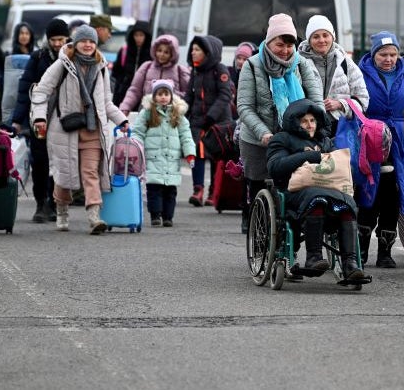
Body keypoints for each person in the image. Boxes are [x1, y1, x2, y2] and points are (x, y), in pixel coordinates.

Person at [30, 25, 129, 235]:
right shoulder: (62, 64)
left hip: (93, 129)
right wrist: (39, 118)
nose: (88, 45)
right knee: (64, 176)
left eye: (92, 41)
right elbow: (41, 92)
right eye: (84, 41)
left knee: (90, 173)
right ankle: (62, 209)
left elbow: (106, 102)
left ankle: (94, 217)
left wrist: (122, 120)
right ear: (76, 43)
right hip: (65, 129)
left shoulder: (101, 67)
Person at [236, 13, 322, 235]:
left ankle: (288, 237)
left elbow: (316, 103)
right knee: (259, 189)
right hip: (258, 140)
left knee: (291, 192)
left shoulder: (303, 65)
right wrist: (263, 133)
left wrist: (314, 130)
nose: (285, 50)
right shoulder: (253, 66)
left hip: (293, 140)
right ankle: (258, 229)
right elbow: (245, 107)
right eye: (279, 44)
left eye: (289, 45)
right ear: (269, 41)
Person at [266, 98, 364, 280]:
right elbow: (275, 167)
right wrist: (309, 155)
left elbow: (341, 167)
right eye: (304, 121)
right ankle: (314, 257)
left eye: (312, 120)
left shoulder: (325, 141)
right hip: (294, 193)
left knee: (346, 204)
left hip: (329, 192)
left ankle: (350, 263)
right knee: (318, 199)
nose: (309, 125)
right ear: (295, 122)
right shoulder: (282, 139)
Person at [356, 31, 404, 267]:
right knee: (369, 193)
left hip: (401, 143)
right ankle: (360, 249)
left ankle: (385, 251)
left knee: (394, 194)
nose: (389, 59)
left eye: (393, 54)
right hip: (370, 139)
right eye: (383, 54)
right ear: (373, 55)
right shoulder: (360, 75)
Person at [12, 18, 71, 223]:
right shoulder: (38, 57)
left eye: (60, 39)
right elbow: (24, 89)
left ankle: (56, 203)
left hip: (64, 120)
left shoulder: (73, 57)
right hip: (39, 119)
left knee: (61, 162)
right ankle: (41, 203)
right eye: (53, 39)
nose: (57, 43)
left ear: (67, 38)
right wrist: (17, 120)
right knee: (40, 162)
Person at [132, 79, 196, 227]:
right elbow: (138, 132)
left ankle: (168, 217)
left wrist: (190, 153)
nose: (163, 97)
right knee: (153, 189)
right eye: (159, 94)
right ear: (154, 96)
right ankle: (155, 215)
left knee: (170, 191)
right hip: (152, 158)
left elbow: (185, 135)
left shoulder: (177, 114)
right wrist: (136, 148)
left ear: (171, 96)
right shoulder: (147, 113)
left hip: (171, 160)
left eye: (166, 94)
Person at [298, 14, 369, 137]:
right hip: (307, 131)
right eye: (316, 36)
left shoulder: (346, 63)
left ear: (333, 37)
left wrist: (340, 104)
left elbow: (363, 100)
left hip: (341, 131)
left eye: (325, 35)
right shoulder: (299, 63)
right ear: (309, 40)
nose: (321, 40)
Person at [183, 34, 234, 207]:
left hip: (218, 122)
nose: (193, 53)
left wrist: (212, 116)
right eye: (192, 49)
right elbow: (190, 95)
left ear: (208, 52)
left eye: (197, 50)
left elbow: (225, 95)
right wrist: (181, 112)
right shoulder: (195, 70)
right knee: (195, 154)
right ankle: (198, 190)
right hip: (198, 121)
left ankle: (213, 191)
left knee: (215, 157)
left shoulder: (220, 70)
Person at [119, 34, 190, 114]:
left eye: (166, 52)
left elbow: (188, 95)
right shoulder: (146, 67)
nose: (162, 54)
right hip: (147, 115)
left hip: (170, 117)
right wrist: (125, 107)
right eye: (159, 50)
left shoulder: (180, 71)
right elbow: (135, 91)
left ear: (173, 54)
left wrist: (172, 93)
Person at [112, 21, 152, 107]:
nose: (138, 38)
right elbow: (116, 72)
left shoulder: (152, 54)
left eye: (141, 35)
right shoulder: (124, 51)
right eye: (136, 35)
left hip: (144, 97)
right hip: (124, 96)